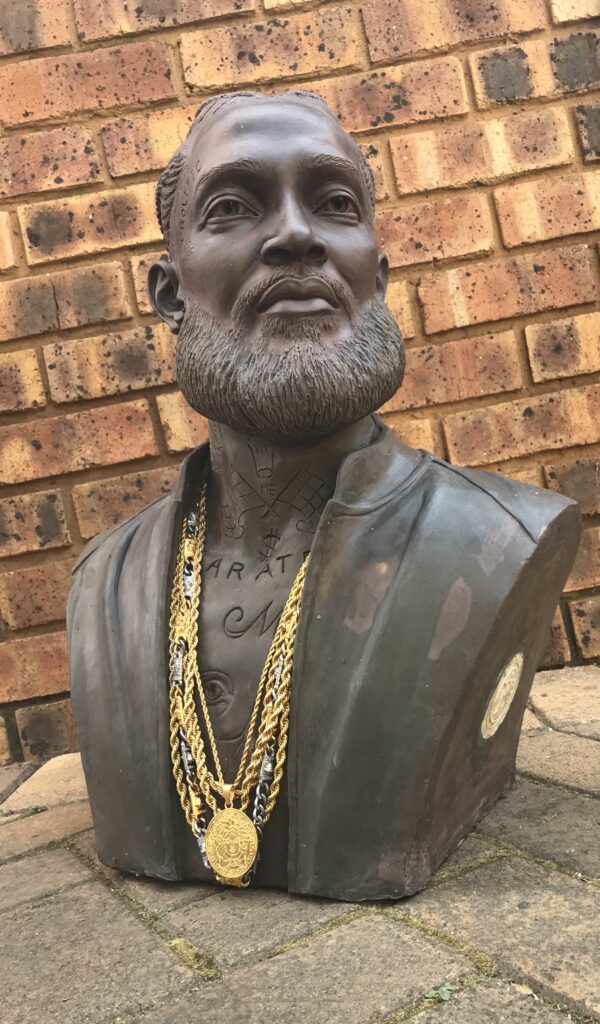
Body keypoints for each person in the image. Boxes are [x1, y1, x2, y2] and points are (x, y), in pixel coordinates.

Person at [67, 90, 580, 901]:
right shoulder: (104, 583)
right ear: (170, 295)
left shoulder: (506, 535)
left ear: (377, 275)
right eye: (234, 207)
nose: (296, 235)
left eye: (334, 203)